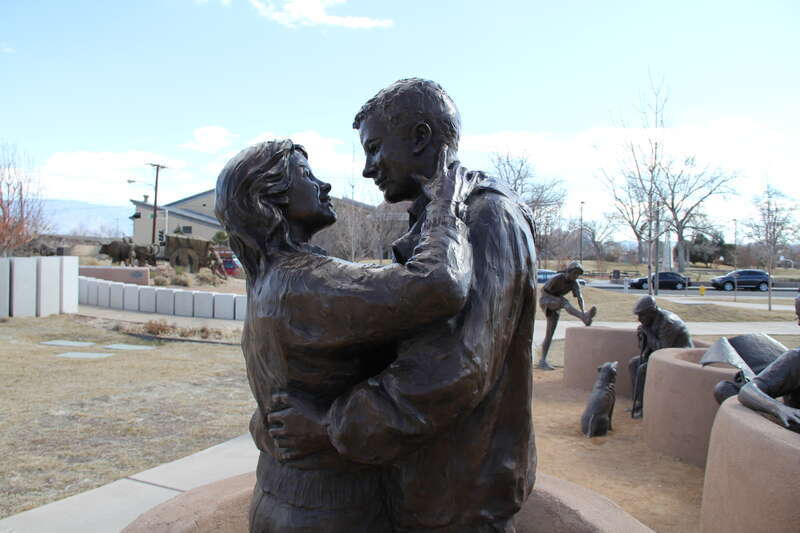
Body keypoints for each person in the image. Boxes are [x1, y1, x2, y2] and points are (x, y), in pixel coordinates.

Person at [268, 78, 538, 532]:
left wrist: (330, 426)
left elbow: (458, 366)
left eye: (375, 149)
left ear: (419, 137)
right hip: (427, 478)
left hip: (461, 493)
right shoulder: (437, 219)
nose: (369, 169)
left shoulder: (486, 216)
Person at [215, 139, 474, 532]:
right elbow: (440, 284)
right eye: (306, 175)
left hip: (279, 494)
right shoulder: (303, 281)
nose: (324, 185)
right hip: (329, 510)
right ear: (269, 199)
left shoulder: (267, 279)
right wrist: (446, 206)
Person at [738, 295, 800, 433]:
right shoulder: (796, 359)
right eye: (797, 317)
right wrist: (780, 409)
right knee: (723, 389)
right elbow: (747, 391)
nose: (798, 324)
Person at [628, 295, 692, 418]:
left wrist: (647, 332)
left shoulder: (668, 323)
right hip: (663, 356)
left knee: (642, 370)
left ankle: (645, 406)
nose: (639, 319)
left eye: (642, 315)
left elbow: (662, 350)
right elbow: (645, 349)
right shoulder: (651, 321)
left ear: (652, 312)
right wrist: (641, 337)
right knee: (634, 363)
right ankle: (639, 402)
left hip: (679, 359)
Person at [536, 261, 597, 370]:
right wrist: (555, 300)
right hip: (546, 299)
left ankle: (542, 361)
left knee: (550, 333)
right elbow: (543, 290)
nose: (576, 276)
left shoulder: (574, 283)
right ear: (568, 271)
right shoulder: (558, 278)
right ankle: (583, 318)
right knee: (565, 302)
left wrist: (584, 310)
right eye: (574, 273)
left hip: (556, 303)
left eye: (578, 274)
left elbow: (580, 298)